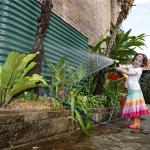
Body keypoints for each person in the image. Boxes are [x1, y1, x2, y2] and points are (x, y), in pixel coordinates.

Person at [116, 53, 150, 129]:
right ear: (133, 59)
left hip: (135, 90)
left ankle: (136, 122)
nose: (137, 61)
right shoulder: (131, 66)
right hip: (131, 90)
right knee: (132, 107)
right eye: (136, 59)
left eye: (140, 61)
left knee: (135, 107)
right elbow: (124, 66)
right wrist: (118, 64)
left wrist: (121, 70)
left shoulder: (139, 70)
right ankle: (133, 121)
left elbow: (129, 73)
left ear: (142, 63)